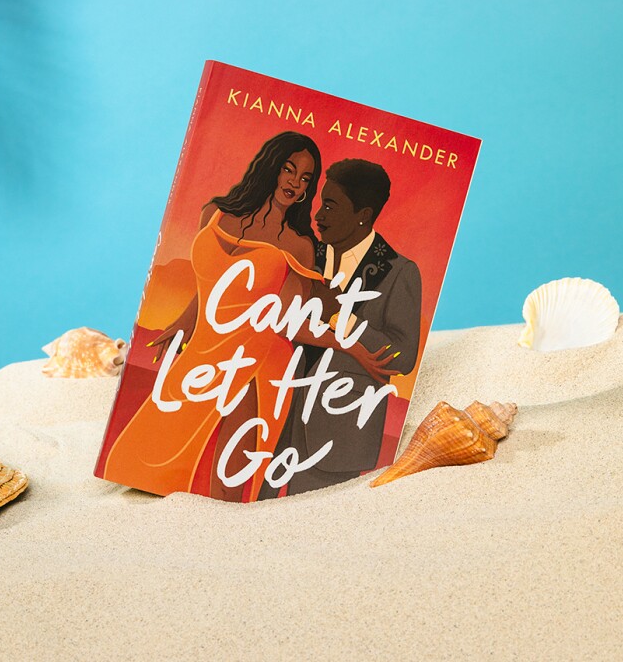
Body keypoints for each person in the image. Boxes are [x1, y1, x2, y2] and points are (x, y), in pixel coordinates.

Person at [103, 132, 389, 502]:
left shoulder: (297, 245)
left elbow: (291, 321)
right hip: (203, 350)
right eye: (289, 170)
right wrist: (184, 323)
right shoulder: (215, 213)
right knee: (145, 453)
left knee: (227, 482)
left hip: (257, 359)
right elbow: (209, 284)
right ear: (271, 167)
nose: (295, 183)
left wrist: (354, 349)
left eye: (305, 178)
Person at [263, 158, 422, 497]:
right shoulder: (305, 251)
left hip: (336, 433)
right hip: (270, 417)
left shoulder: (399, 273)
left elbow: (403, 357)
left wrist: (341, 315)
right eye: (321, 202)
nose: (319, 216)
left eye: (331, 206)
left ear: (363, 214)